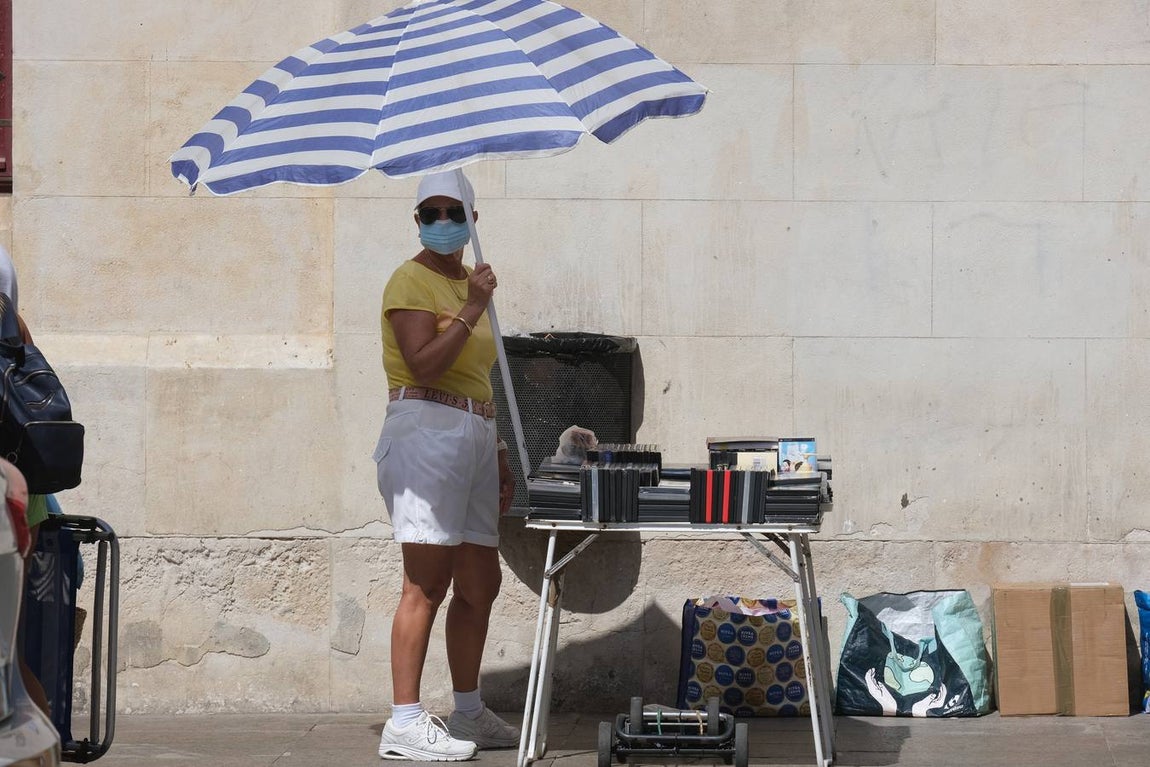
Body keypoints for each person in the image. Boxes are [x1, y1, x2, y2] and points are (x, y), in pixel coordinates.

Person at [372, 170, 518, 761]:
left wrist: (501, 450)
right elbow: (424, 364)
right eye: (428, 213)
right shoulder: (410, 281)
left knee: (481, 581)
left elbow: (479, 375)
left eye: (451, 211)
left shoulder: (468, 284)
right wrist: (473, 308)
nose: (440, 222)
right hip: (426, 429)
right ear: (417, 221)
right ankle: (403, 721)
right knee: (426, 582)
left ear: (472, 219)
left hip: (474, 432)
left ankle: (467, 710)